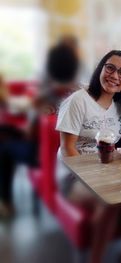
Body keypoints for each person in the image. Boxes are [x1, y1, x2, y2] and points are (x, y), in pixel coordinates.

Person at [55, 50, 121, 263]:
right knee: (109, 203)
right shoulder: (78, 101)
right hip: (73, 175)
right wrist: (96, 180)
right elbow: (67, 149)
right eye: (110, 68)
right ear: (100, 68)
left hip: (106, 173)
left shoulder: (118, 107)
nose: (114, 76)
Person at [0, 44, 80, 218]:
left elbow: (31, 134)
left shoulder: (45, 97)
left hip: (42, 156)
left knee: (4, 148)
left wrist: (22, 129)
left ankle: (5, 202)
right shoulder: (81, 93)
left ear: (50, 67)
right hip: (71, 152)